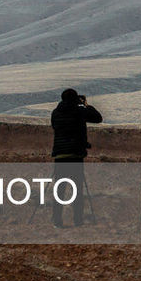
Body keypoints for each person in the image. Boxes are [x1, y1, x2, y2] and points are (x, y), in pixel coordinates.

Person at [50, 88, 102, 227]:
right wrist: (85, 105)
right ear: (75, 99)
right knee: (77, 190)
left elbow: (55, 126)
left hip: (60, 155)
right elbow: (97, 118)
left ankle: (57, 220)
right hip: (75, 155)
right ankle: (77, 220)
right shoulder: (79, 111)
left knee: (59, 190)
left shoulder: (55, 113)